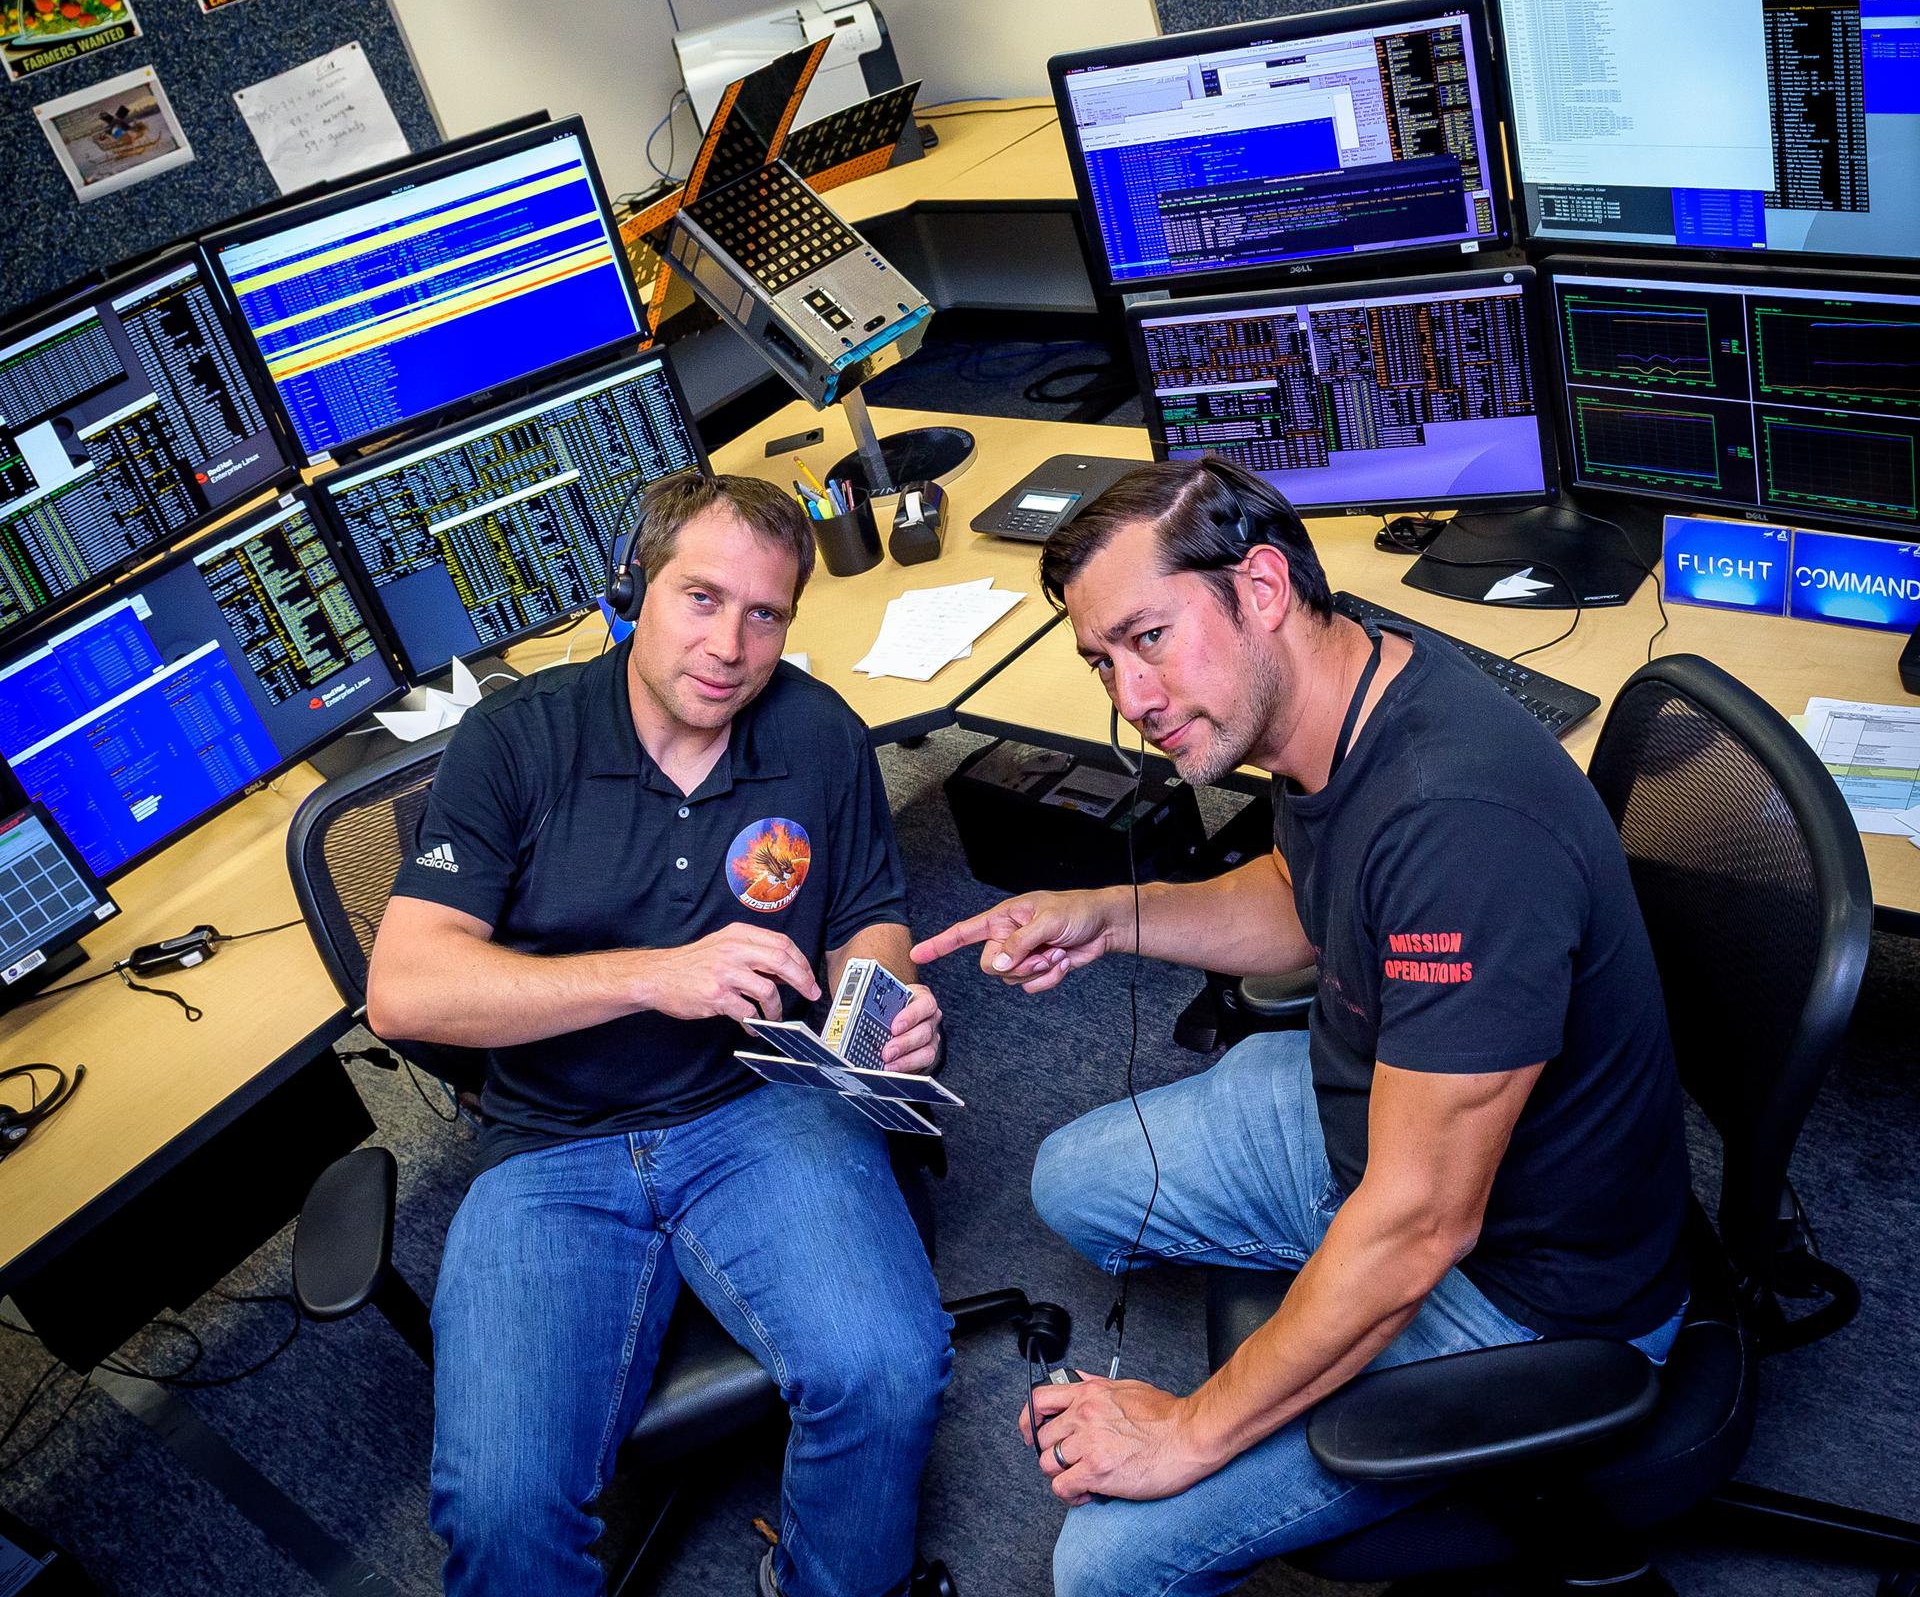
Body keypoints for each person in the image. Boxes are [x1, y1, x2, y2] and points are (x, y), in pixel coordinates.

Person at [912, 456, 1690, 1597]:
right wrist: (1108, 916)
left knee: (1108, 1565)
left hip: (1529, 1280)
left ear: (1263, 588)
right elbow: (1301, 899)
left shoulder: (1459, 829)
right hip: (1383, 1105)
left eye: (1149, 638)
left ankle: (1340, 1330)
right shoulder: (1340, 680)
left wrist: (1190, 1430)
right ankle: (1321, 1276)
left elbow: (1420, 1226)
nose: (1133, 697)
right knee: (1072, 1183)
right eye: (1104, 660)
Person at [369, 469, 951, 1597]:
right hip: (551, 1146)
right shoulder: (516, 739)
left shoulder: (816, 731)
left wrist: (875, 1008)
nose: (731, 646)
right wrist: (654, 976)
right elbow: (405, 991)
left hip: (762, 1106)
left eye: (766, 614)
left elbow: (867, 913)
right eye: (701, 599)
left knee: (886, 1372)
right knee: (500, 1506)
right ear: (633, 589)